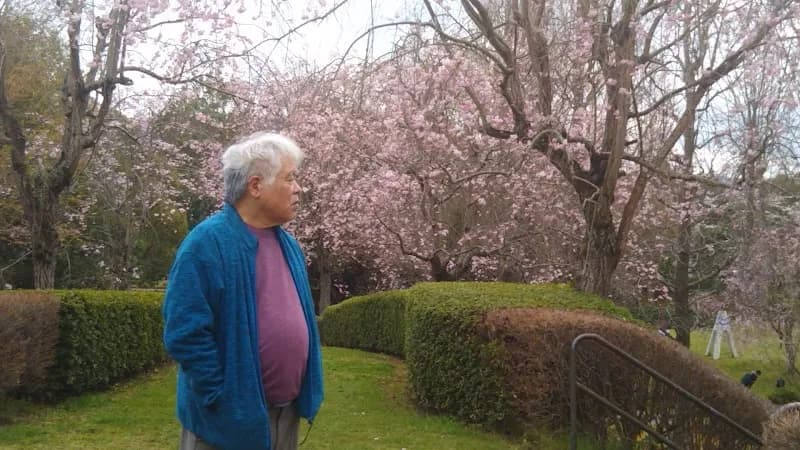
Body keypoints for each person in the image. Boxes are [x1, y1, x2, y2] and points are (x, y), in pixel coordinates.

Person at [163, 132, 323, 450]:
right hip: (225, 421)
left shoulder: (288, 245)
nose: (298, 188)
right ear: (255, 186)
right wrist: (220, 396)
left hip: (284, 413)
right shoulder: (206, 244)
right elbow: (184, 333)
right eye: (290, 178)